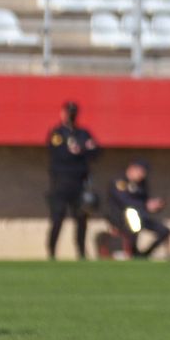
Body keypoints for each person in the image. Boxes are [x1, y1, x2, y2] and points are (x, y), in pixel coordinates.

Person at [46, 101, 99, 260]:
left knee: (82, 219)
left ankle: (81, 253)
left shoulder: (82, 133)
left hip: (79, 184)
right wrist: (82, 149)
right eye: (68, 112)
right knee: (57, 219)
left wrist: (80, 149)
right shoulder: (57, 133)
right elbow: (61, 153)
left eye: (73, 112)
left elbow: (95, 151)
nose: (71, 115)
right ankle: (52, 252)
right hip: (61, 184)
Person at [107, 159, 170, 258]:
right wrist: (145, 205)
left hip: (141, 216)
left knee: (164, 231)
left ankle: (145, 255)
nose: (142, 175)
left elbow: (144, 200)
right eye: (141, 171)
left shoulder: (142, 184)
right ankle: (134, 252)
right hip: (120, 218)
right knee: (134, 222)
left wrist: (153, 205)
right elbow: (125, 202)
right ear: (132, 169)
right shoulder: (120, 182)